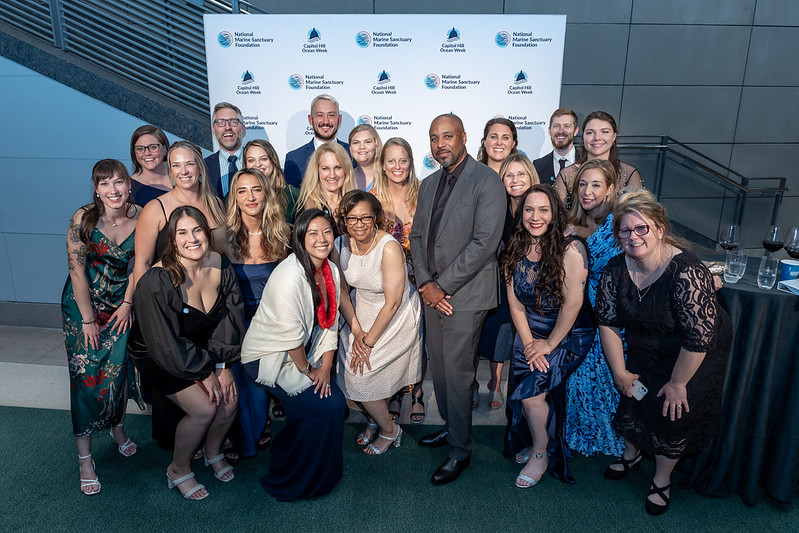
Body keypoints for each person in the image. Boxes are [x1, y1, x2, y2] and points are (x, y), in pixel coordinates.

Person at [596, 190, 731, 515]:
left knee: (672, 414)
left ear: (659, 228)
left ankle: (661, 479)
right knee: (633, 398)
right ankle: (632, 453)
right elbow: (608, 323)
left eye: (641, 228)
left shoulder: (686, 271)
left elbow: (699, 338)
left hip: (691, 355)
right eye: (625, 231)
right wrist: (619, 372)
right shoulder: (616, 268)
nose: (633, 236)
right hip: (646, 347)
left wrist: (678, 383)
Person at [409, 113, 506, 485]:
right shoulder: (430, 182)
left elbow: (484, 243)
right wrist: (425, 283)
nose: (440, 144)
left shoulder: (487, 180)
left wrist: (441, 286)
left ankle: (460, 450)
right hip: (432, 291)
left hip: (465, 294)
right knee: (441, 372)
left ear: (464, 137)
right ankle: (453, 430)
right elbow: (417, 237)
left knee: (459, 374)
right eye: (434, 138)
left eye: (447, 136)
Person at [129, 206, 245, 500]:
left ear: (207, 234)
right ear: (171, 239)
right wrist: (204, 372)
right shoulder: (157, 280)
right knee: (205, 408)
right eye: (182, 232)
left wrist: (222, 366)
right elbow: (164, 343)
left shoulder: (220, 263)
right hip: (157, 352)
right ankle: (178, 469)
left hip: (200, 348)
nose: (192, 239)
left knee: (229, 400)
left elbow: (229, 318)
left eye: (197, 231)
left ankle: (212, 451)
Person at [240, 209, 346, 501]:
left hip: (305, 351)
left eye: (326, 232)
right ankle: (296, 476)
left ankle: (311, 464)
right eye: (312, 233)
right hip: (269, 356)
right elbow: (289, 338)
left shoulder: (331, 271)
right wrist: (310, 371)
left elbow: (330, 322)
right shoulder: (289, 275)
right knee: (327, 406)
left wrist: (325, 368)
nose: (321, 239)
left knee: (332, 404)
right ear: (300, 238)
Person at [132, 141, 226, 450]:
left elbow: (224, 257)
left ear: (200, 167)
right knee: (185, 390)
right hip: (167, 319)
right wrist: (140, 311)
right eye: (175, 165)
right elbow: (143, 264)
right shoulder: (155, 208)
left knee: (219, 392)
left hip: (204, 314)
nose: (183, 170)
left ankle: (211, 444)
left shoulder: (215, 204)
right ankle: (183, 449)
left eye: (189, 164)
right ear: (169, 171)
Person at [502, 185, 595, 488]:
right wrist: (529, 343)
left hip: (566, 334)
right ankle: (538, 441)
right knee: (525, 395)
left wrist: (548, 345)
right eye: (529, 209)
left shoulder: (571, 248)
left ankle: (541, 454)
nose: (535, 216)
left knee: (530, 396)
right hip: (529, 330)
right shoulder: (514, 248)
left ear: (555, 213)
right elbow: (515, 304)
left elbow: (573, 304)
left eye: (543, 210)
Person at [63, 159, 142, 495]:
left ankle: (118, 429)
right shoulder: (84, 217)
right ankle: (84, 457)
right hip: (82, 309)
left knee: (118, 372)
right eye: (105, 184)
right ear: (96, 189)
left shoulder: (142, 217)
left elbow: (141, 265)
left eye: (119, 182)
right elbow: (77, 271)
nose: (114, 190)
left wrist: (126, 305)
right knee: (86, 380)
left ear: (129, 184)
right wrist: (89, 320)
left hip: (121, 307)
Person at [333, 190, 423, 454]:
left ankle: (389, 430)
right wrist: (357, 330)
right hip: (359, 311)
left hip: (395, 313)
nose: (358, 224)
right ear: (344, 220)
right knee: (349, 375)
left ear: (376, 218)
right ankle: (375, 420)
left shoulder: (389, 247)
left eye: (365, 218)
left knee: (364, 375)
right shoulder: (339, 245)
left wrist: (369, 341)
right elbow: (341, 291)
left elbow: (393, 302)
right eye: (352, 218)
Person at [212, 168, 290, 459]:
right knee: (240, 387)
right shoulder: (219, 238)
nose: (250, 196)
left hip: (271, 322)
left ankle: (260, 425)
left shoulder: (284, 234)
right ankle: (238, 435)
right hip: (234, 321)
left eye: (256, 189)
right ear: (234, 198)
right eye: (242, 191)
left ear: (266, 193)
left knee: (261, 386)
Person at [563, 160, 625, 456]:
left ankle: (614, 432)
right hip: (579, 314)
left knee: (612, 376)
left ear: (611, 188)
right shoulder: (569, 224)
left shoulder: (621, 224)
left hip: (615, 314)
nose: (587, 191)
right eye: (582, 184)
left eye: (596, 185)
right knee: (580, 376)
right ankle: (583, 430)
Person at [476, 153, 540, 410]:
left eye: (520, 174)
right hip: (498, 280)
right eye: (509, 175)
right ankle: (486, 382)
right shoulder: (496, 205)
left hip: (532, 282)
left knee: (517, 334)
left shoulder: (539, 203)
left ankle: (496, 384)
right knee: (496, 330)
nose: (515, 180)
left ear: (530, 176)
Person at [372, 137, 425, 423]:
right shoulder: (372, 196)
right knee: (391, 339)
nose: (397, 166)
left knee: (419, 338)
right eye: (391, 160)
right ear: (382, 164)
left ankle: (416, 393)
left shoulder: (424, 192)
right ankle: (392, 391)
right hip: (385, 280)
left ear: (411, 162)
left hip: (420, 277)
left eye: (403, 160)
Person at [554, 111, 643, 210]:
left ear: (614, 136)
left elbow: (637, 216)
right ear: (583, 136)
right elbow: (557, 216)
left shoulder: (628, 174)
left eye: (604, 132)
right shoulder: (567, 174)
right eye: (590, 133)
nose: (597, 138)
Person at [284, 94, 352, 188]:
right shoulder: (294, 158)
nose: (326, 121)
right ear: (310, 120)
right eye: (320, 115)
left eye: (331, 115)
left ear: (339, 120)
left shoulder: (352, 153)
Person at [242, 139, 300, 223]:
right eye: (251, 160)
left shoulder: (294, 195)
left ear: (273, 161)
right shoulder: (235, 196)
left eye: (264, 159)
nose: (258, 164)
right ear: (245, 165)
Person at [295, 142, 356, 221]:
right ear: (316, 171)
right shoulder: (304, 207)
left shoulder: (355, 204)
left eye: (337, 167)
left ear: (346, 170)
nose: (332, 175)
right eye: (325, 168)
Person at [204, 102, 246, 199]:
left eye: (233, 122)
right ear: (213, 130)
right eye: (221, 122)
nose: (227, 127)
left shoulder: (257, 162)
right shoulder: (203, 166)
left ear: (243, 129)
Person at [533, 108, 580, 186]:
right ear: (549, 131)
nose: (561, 131)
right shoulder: (537, 166)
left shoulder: (587, 162)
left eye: (567, 126)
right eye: (556, 126)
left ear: (575, 131)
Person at [129, 125, 172, 206]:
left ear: (164, 149)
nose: (147, 153)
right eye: (140, 149)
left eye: (153, 147)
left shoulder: (182, 177)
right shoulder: (129, 187)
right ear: (134, 153)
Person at [348, 124, 382, 191]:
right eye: (356, 143)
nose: (362, 147)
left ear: (376, 146)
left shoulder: (387, 176)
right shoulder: (345, 178)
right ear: (350, 149)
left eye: (367, 142)